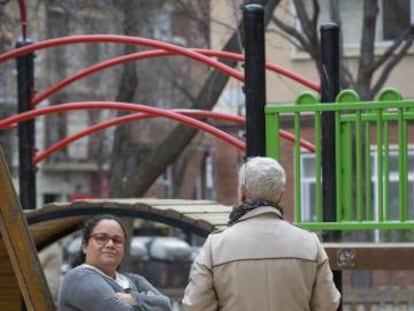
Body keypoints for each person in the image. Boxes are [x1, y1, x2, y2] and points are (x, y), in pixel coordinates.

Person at [182, 156, 341, 311]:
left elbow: (195, 305)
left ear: (242, 192)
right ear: (280, 194)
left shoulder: (215, 246)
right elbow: (328, 304)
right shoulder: (309, 243)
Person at [58, 214, 172, 311]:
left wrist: (134, 299)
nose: (110, 245)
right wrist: (149, 303)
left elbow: (166, 305)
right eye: (101, 238)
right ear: (84, 246)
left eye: (117, 240)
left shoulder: (134, 280)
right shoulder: (79, 278)